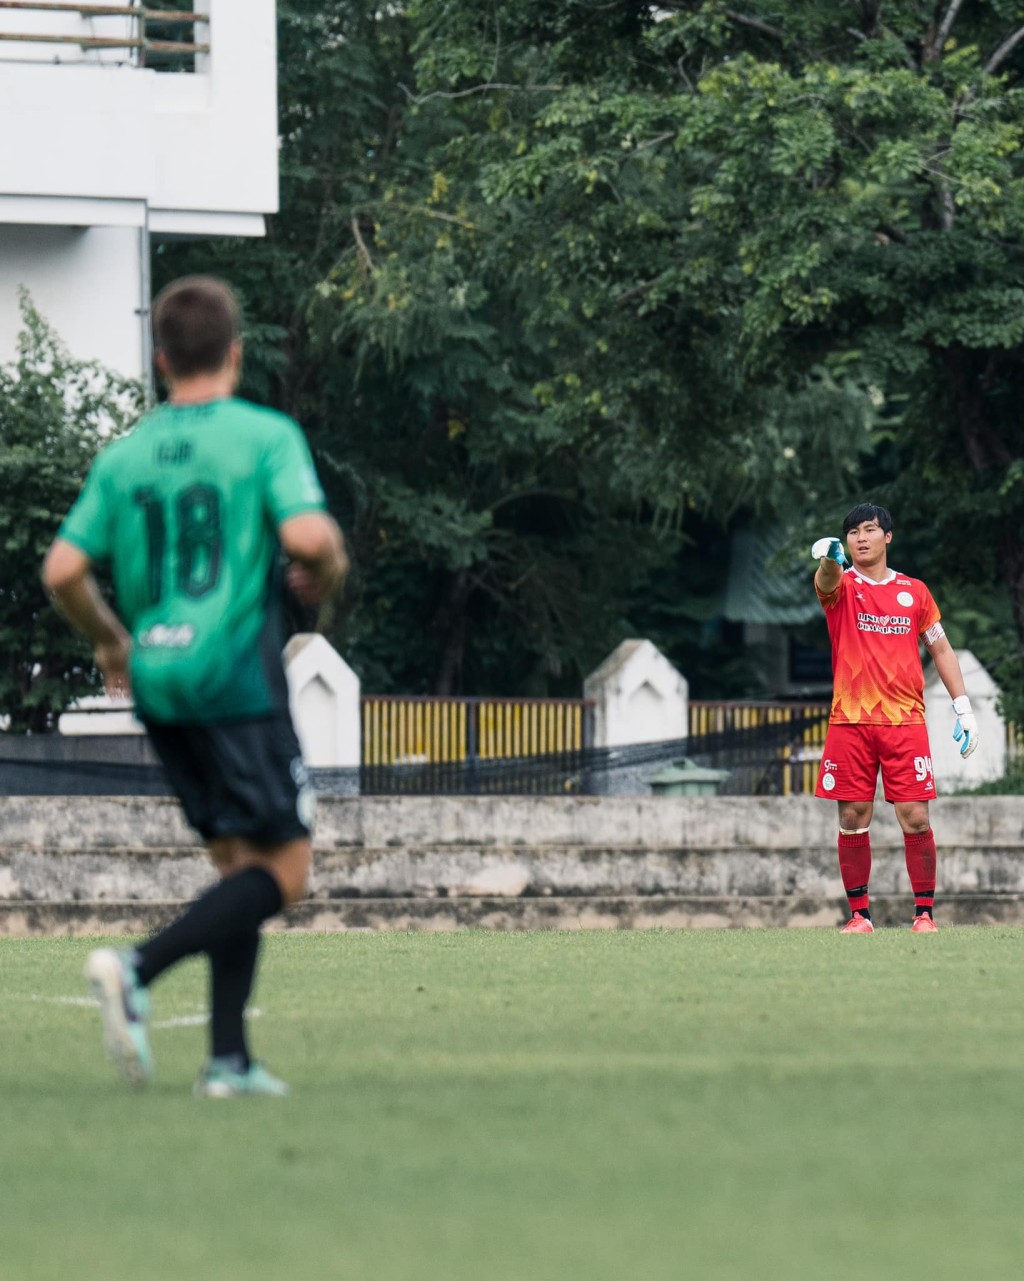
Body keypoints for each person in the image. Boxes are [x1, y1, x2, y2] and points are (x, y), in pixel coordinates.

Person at [42, 275, 348, 1096]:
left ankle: (228, 1060)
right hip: (233, 674)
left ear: (161, 358)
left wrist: (112, 639)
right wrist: (328, 565)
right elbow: (305, 535)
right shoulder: (263, 435)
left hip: (158, 677)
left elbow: (64, 568)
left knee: (236, 869)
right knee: (282, 874)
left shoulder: (127, 453)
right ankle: (138, 967)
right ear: (236, 354)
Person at [810, 503, 977, 934]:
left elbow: (940, 647)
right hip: (851, 722)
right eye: (852, 533)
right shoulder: (842, 586)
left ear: (888, 537)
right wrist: (830, 558)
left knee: (916, 818)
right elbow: (824, 581)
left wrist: (963, 706)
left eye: (870, 530)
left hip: (905, 724)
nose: (860, 538)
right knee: (852, 819)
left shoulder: (915, 592)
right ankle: (859, 916)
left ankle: (924, 914)